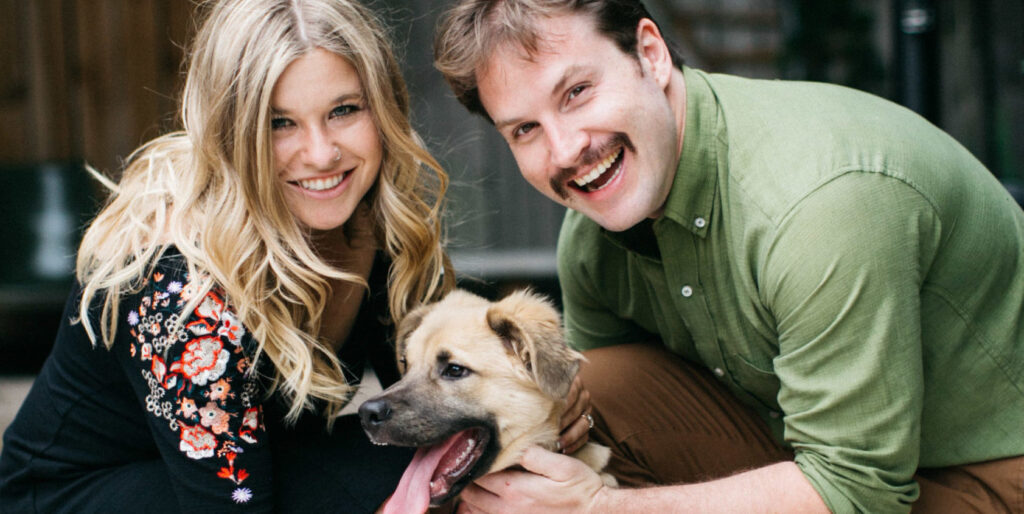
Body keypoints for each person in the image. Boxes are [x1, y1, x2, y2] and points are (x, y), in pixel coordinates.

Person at [433, 0, 1024, 512]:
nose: (565, 151)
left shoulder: (818, 204)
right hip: (800, 447)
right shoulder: (593, 236)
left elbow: (857, 493)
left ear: (651, 54)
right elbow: (589, 424)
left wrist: (598, 507)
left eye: (578, 92)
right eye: (525, 130)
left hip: (985, 471)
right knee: (576, 399)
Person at [0, 0, 457, 511]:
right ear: (230, 133)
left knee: (457, 458)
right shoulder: (178, 282)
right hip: (80, 495)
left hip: (251, 466)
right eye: (279, 123)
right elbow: (236, 502)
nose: (322, 153)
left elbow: (442, 408)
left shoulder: (378, 216)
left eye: (344, 110)